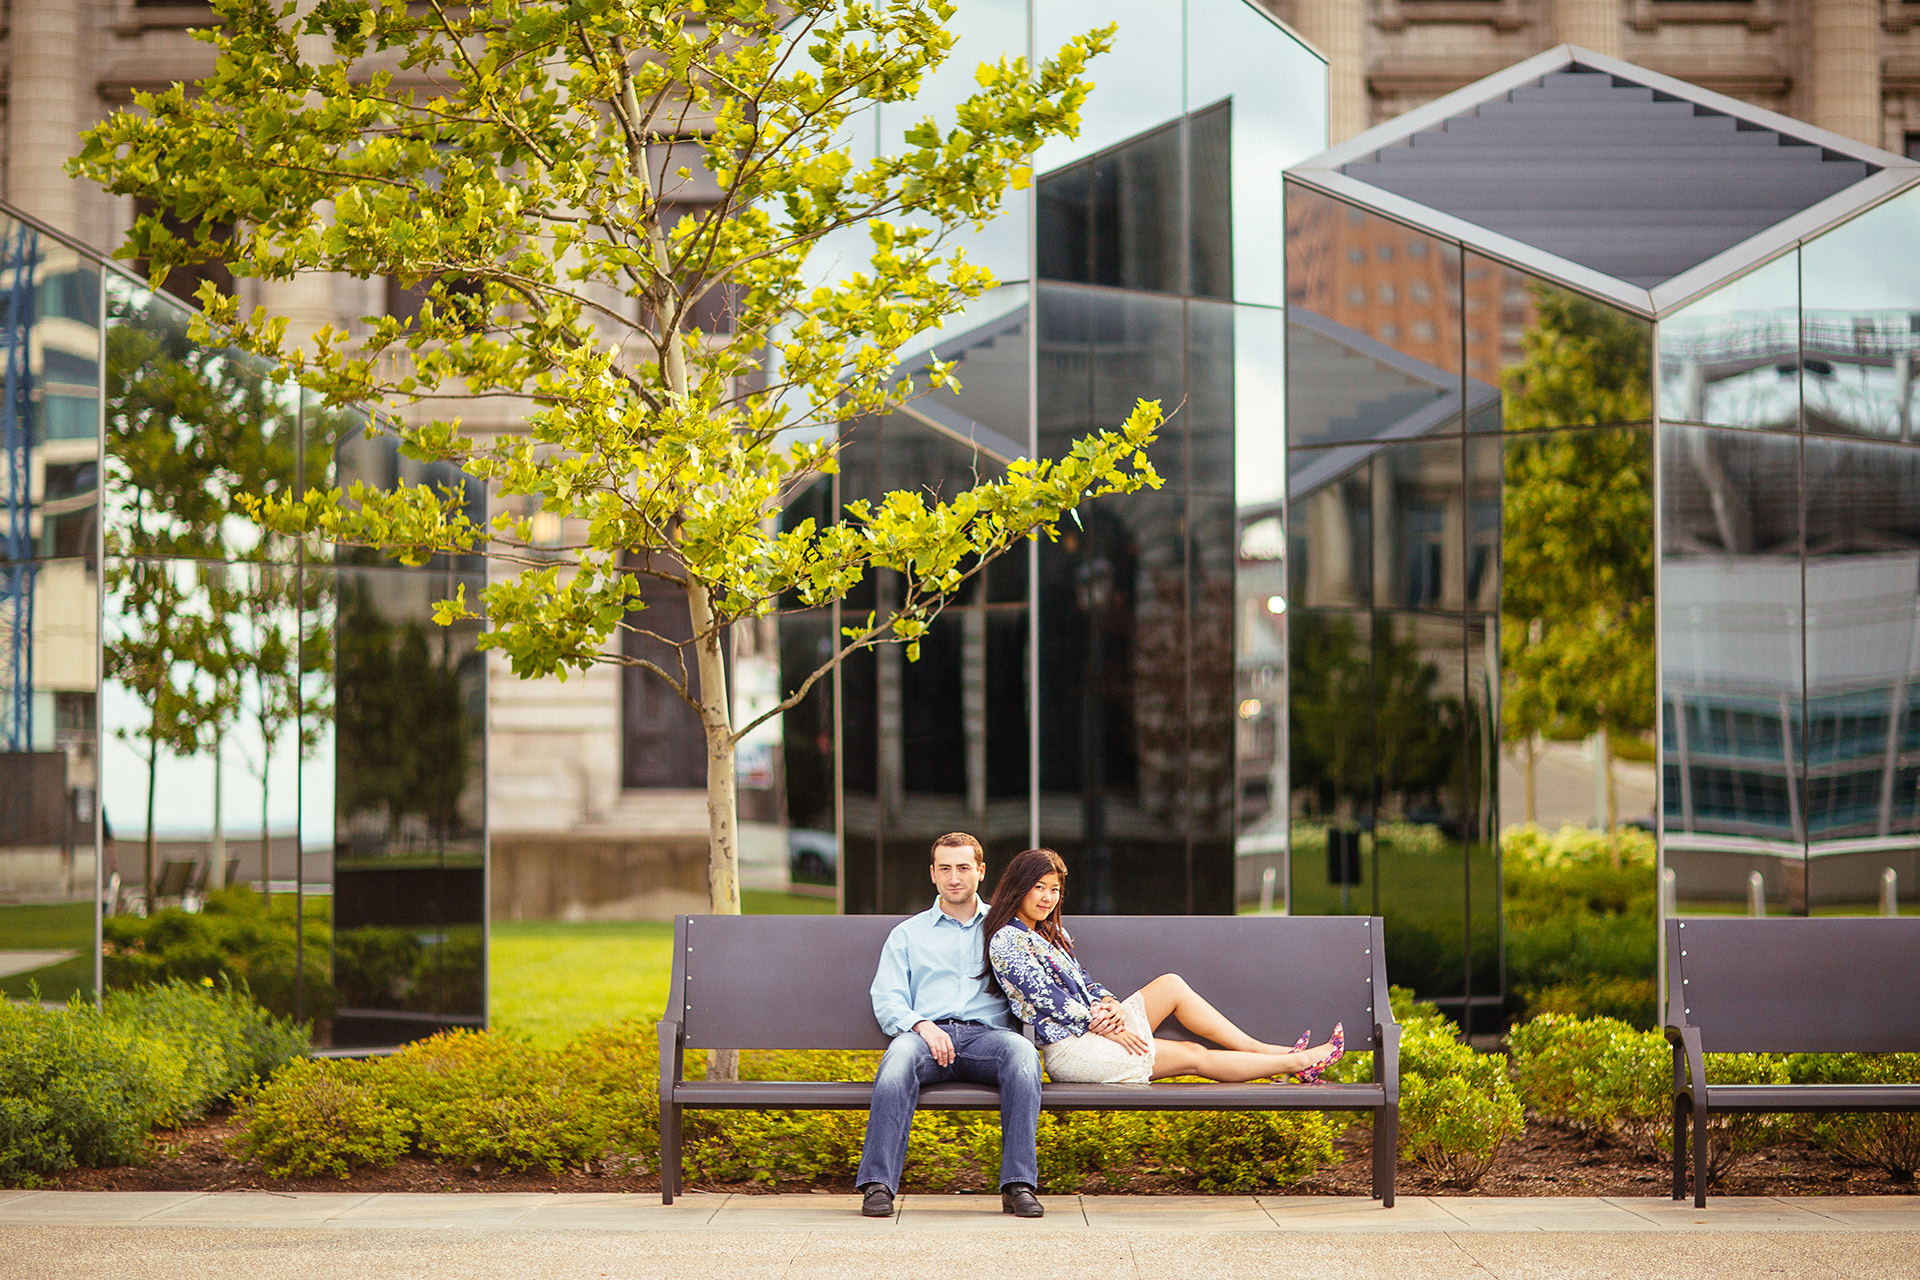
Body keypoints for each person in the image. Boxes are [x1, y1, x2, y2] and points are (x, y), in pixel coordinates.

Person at [982, 847, 1344, 1085]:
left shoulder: (1052, 934)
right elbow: (1047, 999)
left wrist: (1108, 1003)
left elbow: (1087, 983)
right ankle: (1296, 1064)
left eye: (1055, 890)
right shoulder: (1006, 940)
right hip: (1072, 1049)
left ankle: (1263, 1049)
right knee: (1193, 1056)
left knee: (1170, 984)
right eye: (1039, 888)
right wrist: (1107, 1026)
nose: (1048, 897)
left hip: (1096, 1027)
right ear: (1020, 887)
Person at [856, 832, 1046, 1219]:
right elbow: (888, 998)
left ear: (980, 871)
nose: (954, 877)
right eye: (945, 868)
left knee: (1023, 1055)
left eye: (963, 867)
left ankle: (1018, 1184)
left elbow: (1046, 979)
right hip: (925, 1038)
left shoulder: (1005, 930)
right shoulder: (907, 934)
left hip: (988, 1040)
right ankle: (878, 1185)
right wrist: (922, 1025)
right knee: (897, 1060)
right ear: (932, 874)